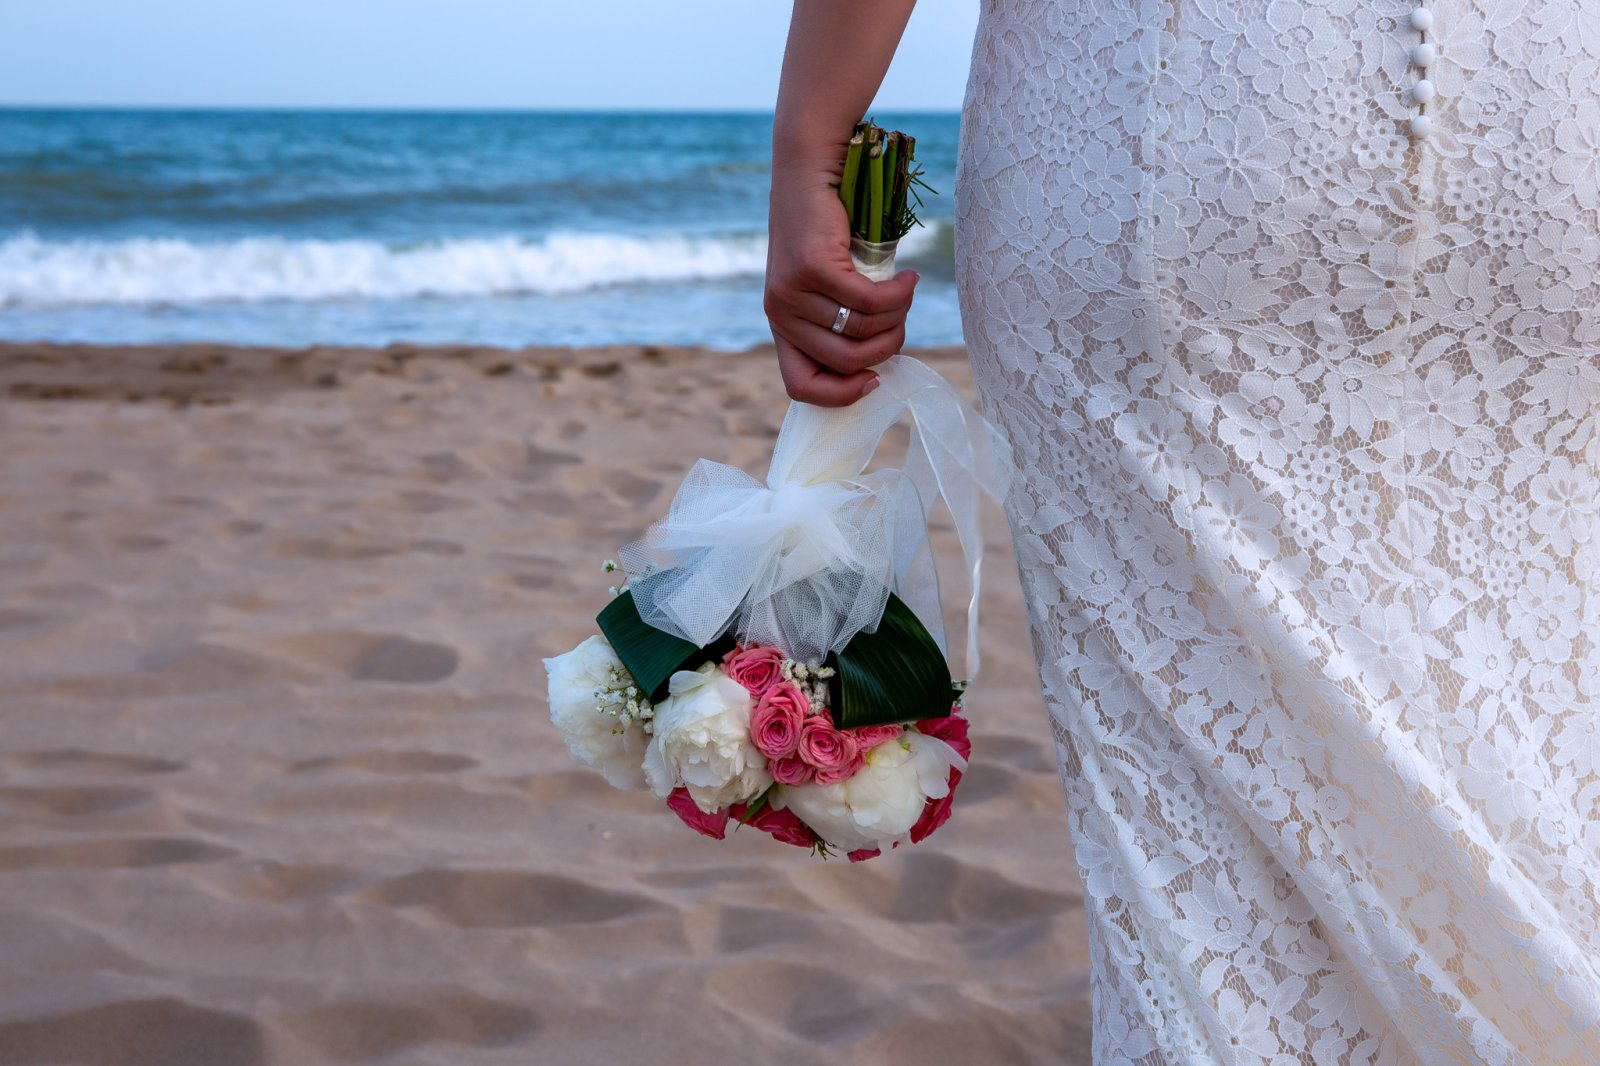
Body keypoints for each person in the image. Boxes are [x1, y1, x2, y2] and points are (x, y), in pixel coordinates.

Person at [764, 1, 1600, 1062]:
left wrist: (809, 142)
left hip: (1177, 115)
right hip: (1554, 112)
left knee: (1213, 912)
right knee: (1551, 758)